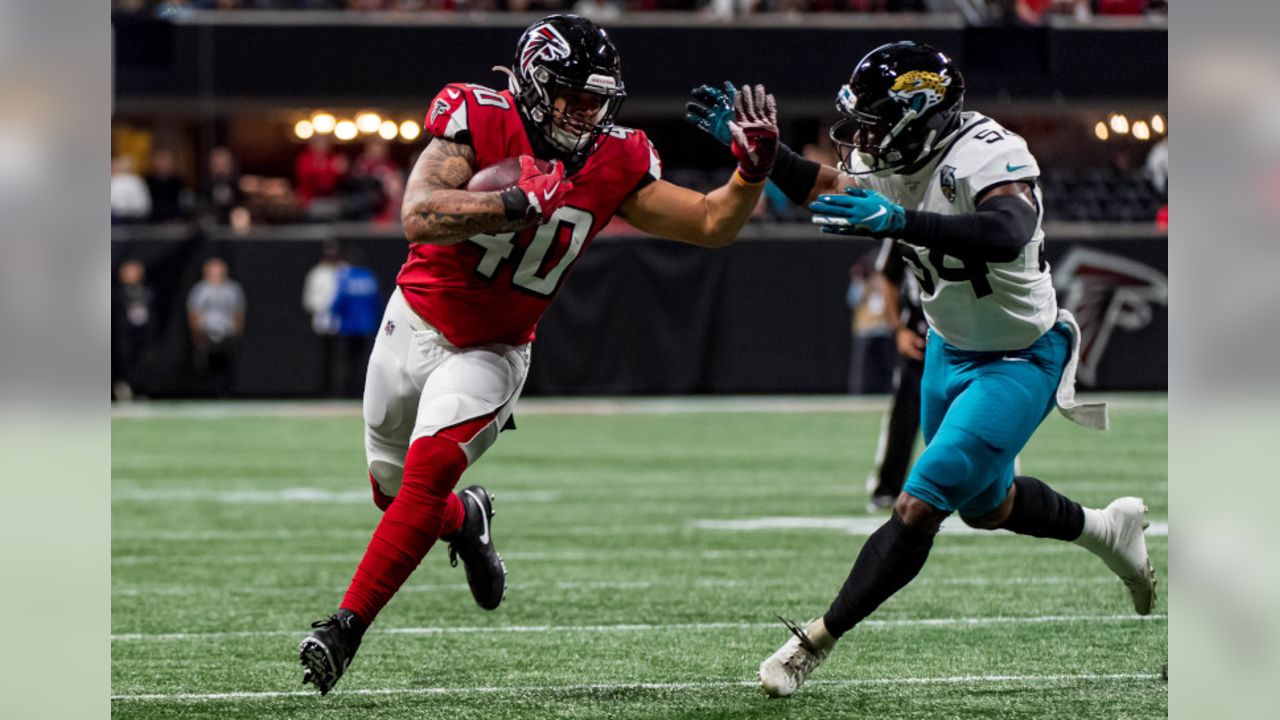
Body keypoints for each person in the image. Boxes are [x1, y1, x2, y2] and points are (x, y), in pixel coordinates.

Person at [298, 13, 779, 695]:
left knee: (428, 469)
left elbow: (708, 223)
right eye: (572, 96)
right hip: (416, 319)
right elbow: (419, 212)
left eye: (597, 100)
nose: (586, 114)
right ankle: (468, 520)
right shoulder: (477, 115)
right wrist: (515, 202)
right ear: (531, 83)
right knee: (390, 492)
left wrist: (752, 173)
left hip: (494, 347)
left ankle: (343, 629)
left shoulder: (616, 157)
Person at [686, 41, 1155, 698]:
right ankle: (1107, 530)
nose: (864, 138)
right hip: (948, 347)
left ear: (918, 115)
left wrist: (902, 218)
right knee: (988, 508)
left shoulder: (988, 150)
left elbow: (1008, 229)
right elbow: (823, 187)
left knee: (919, 504)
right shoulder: (899, 155)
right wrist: (765, 161)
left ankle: (811, 643)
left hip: (1021, 356)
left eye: (877, 123)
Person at [864, 237, 928, 511]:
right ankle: (887, 488)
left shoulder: (968, 216)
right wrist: (899, 330)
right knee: (904, 415)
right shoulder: (906, 220)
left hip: (966, 337)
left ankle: (996, 489)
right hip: (920, 337)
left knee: (984, 413)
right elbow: (889, 276)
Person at [187, 257, 246, 397]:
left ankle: (227, 393)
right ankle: (207, 394)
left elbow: (238, 312)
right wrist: (197, 333)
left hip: (227, 332)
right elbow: (194, 313)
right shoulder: (200, 289)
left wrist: (237, 331)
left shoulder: (232, 289)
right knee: (206, 365)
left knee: (227, 365)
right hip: (207, 331)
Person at [329, 249, 382, 396]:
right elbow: (377, 302)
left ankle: (344, 391)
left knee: (346, 360)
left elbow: (339, 301)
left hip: (348, 326)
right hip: (367, 325)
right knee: (364, 360)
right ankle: (363, 391)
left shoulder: (345, 277)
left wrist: (333, 316)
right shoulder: (370, 277)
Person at [845, 253, 896, 394]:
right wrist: (859, 282)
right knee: (861, 367)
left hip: (883, 329)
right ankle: (858, 393)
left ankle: (890, 391)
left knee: (888, 365)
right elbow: (852, 301)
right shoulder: (862, 284)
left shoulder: (886, 285)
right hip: (865, 330)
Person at [302, 241, 342, 396]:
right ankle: (323, 390)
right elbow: (309, 299)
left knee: (339, 357)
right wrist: (324, 307)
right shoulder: (316, 273)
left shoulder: (342, 271)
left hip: (340, 320)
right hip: (321, 320)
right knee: (322, 357)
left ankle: (339, 390)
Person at [112, 259, 155, 401]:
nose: (132, 275)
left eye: (135, 271)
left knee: (144, 362)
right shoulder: (117, 294)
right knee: (125, 361)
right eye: (129, 272)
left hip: (143, 335)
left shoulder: (147, 292)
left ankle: (140, 390)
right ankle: (124, 388)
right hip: (124, 336)